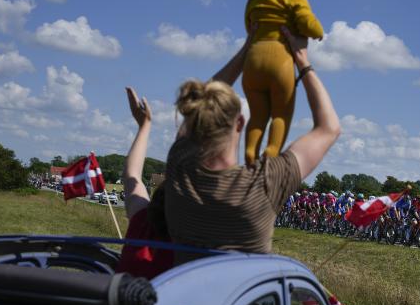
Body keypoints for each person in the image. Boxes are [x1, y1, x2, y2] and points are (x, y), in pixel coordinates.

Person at [164, 26, 340, 260]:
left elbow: (195, 110)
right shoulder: (262, 183)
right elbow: (329, 128)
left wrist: (246, 49)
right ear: (240, 123)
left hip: (185, 294)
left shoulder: (180, 169)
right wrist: (302, 60)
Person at [242, 0, 324, 165]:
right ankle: (271, 153)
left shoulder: (254, 2)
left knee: (258, 115)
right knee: (281, 113)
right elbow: (310, 25)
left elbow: (250, 28)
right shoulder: (296, 1)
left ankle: (250, 153)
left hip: (253, 63)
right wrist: (319, 33)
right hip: (281, 64)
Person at [113, 86, 172, 279]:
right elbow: (132, 176)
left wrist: (144, 125)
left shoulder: (142, 225)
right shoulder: (194, 248)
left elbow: (132, 175)